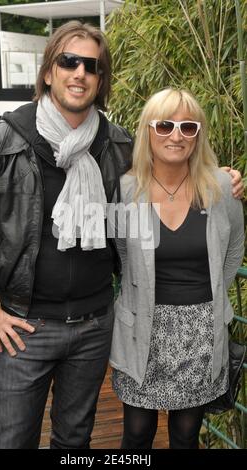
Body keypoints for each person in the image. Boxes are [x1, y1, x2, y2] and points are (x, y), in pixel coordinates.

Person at [0, 22, 243, 449]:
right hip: (23, 326)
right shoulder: (0, 140)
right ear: (47, 72)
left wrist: (223, 179)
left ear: (101, 79)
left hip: (95, 325)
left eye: (91, 66)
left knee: (75, 440)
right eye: (68, 61)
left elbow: (168, 178)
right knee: (14, 440)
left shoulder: (116, 147)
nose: (79, 72)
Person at [109, 88, 245, 449]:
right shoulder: (125, 190)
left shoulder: (221, 188)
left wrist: (208, 296)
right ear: (147, 131)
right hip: (141, 328)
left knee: (185, 436)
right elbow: (121, 255)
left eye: (188, 127)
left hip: (200, 331)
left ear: (198, 134)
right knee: (136, 433)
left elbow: (233, 252)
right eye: (165, 125)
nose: (176, 135)